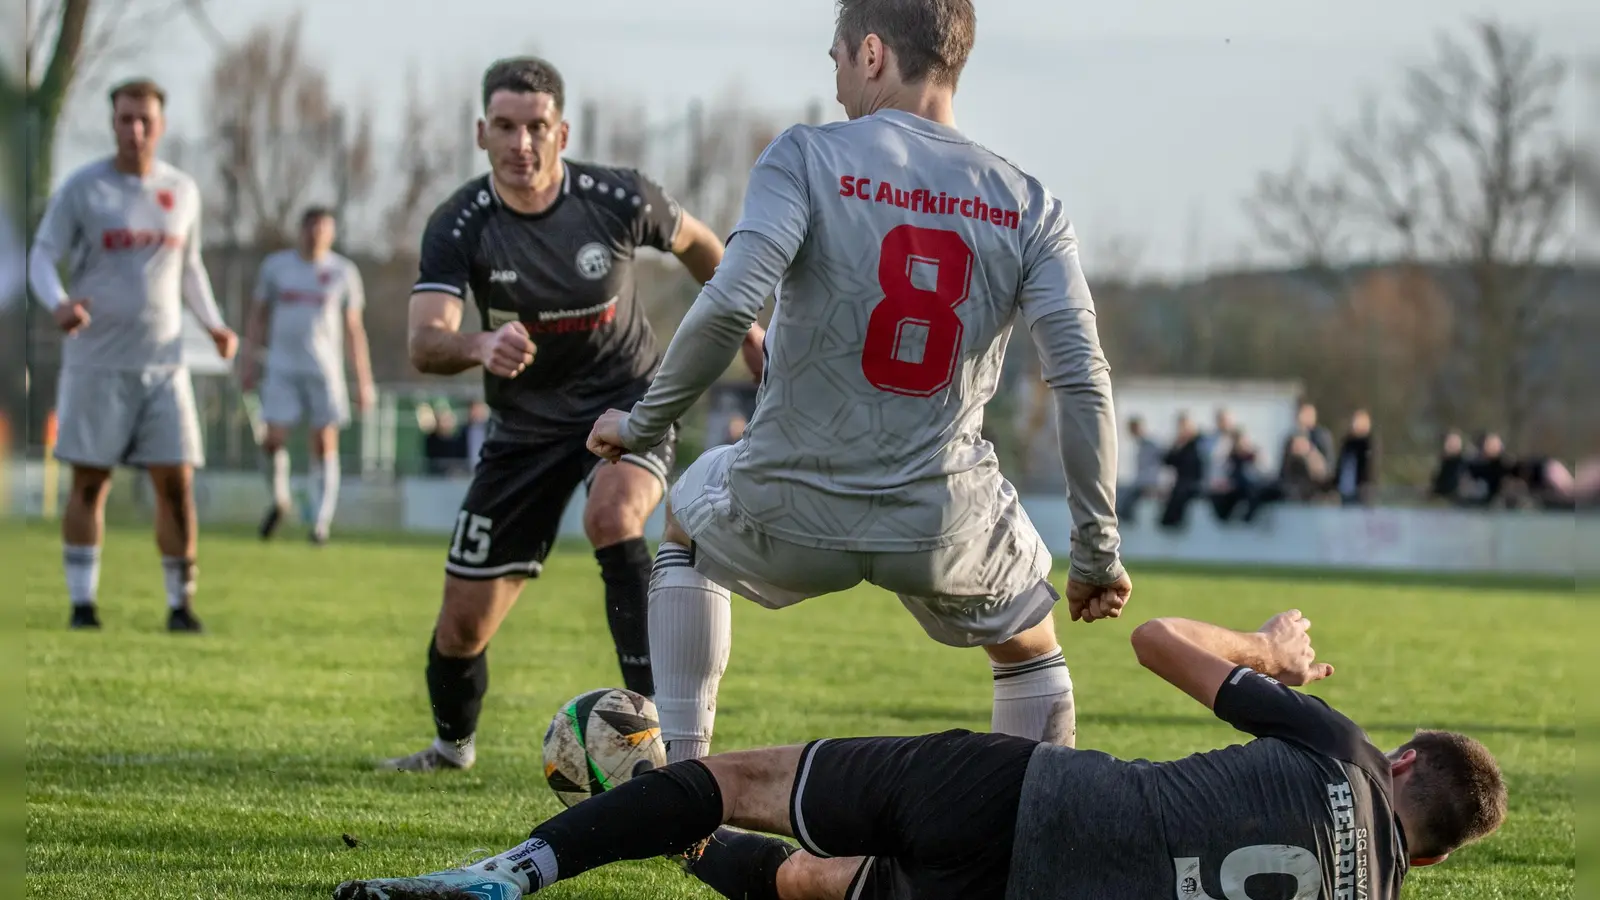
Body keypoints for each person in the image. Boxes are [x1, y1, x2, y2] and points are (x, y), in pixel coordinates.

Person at [587, 0, 1130, 763]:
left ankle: (684, 779)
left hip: (790, 500)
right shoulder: (1028, 204)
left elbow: (732, 303)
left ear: (872, 54)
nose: (837, 79)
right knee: (1029, 641)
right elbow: (1081, 380)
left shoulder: (805, 156)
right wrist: (1097, 551)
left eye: (838, 58)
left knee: (683, 522)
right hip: (940, 520)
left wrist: (641, 425)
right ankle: (1033, 813)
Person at [333, 608, 1507, 900]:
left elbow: (1154, 640)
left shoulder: (1343, 752)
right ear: (1434, 861)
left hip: (1025, 795)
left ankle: (513, 875)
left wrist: (1271, 652)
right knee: (806, 886)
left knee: (740, 780)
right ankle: (667, 834)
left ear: (1403, 765)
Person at [380, 57, 765, 772]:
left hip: (625, 400)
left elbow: (700, 245)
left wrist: (746, 325)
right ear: (481, 133)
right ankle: (450, 749)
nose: (521, 143)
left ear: (562, 132)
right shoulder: (459, 223)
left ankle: (662, 744)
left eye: (536, 127)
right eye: (505, 127)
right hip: (522, 429)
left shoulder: (618, 197)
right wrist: (480, 343)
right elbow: (424, 341)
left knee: (612, 516)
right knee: (461, 628)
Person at [27, 78, 236, 632]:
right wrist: (58, 302)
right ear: (112, 122)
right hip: (96, 363)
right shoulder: (84, 188)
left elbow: (189, 269)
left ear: (161, 125)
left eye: (145, 120)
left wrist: (213, 324)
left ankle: (180, 605)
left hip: (165, 365)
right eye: (126, 119)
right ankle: (82, 604)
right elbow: (42, 256)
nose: (135, 130)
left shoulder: (181, 191)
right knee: (89, 482)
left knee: (177, 483)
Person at [240, 206, 375, 545]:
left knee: (324, 441)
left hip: (323, 370)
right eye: (310, 228)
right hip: (282, 368)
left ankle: (320, 523)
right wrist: (248, 362)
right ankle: (280, 501)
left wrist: (363, 381)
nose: (315, 235)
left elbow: (354, 329)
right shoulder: (276, 267)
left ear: (331, 233)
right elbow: (257, 316)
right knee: (272, 439)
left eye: (322, 229)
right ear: (300, 230)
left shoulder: (343, 272)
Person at [1115, 415, 1162, 524]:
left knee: (1126, 498)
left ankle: (1126, 519)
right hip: (1139, 482)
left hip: (1146, 483)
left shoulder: (1150, 445)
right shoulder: (1138, 445)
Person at [1334, 409, 1379, 506]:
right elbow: (1340, 466)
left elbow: (1370, 467)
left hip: (1362, 489)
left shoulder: (1368, 443)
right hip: (1346, 490)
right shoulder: (1347, 443)